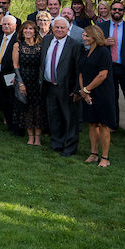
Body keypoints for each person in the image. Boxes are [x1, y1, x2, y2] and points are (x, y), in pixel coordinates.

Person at [41, 16, 83, 157]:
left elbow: (79, 70)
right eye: (57, 27)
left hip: (67, 88)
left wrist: (77, 89)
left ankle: (70, 147)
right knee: (54, 117)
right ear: (52, 28)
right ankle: (57, 143)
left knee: (70, 119)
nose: (59, 30)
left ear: (67, 29)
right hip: (49, 86)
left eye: (62, 28)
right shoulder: (46, 40)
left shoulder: (75, 45)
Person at [99, 1, 125, 130]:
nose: (117, 11)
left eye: (120, 10)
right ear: (110, 11)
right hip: (108, 67)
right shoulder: (102, 27)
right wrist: (103, 42)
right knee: (111, 97)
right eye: (114, 9)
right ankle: (113, 124)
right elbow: (94, 45)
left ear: (124, 12)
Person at [77, 25, 114, 166]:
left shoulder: (103, 52)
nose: (83, 38)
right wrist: (83, 91)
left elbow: (102, 75)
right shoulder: (85, 52)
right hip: (87, 92)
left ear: (95, 37)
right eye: (83, 35)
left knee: (103, 124)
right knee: (92, 123)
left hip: (102, 93)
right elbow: (80, 72)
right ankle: (93, 154)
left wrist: (86, 90)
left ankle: (105, 157)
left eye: (86, 36)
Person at [12, 21, 45, 146]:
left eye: (30, 29)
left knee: (38, 110)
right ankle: (30, 137)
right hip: (24, 81)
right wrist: (20, 83)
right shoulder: (17, 46)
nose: (28, 31)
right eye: (25, 29)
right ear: (22, 31)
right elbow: (16, 65)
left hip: (38, 82)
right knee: (27, 110)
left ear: (35, 31)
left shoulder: (41, 46)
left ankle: (38, 138)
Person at [0, 15, 21, 135]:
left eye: (9, 24)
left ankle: (16, 126)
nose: (6, 26)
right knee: (3, 100)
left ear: (15, 26)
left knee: (12, 100)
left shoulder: (17, 39)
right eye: (4, 24)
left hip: (11, 74)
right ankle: (9, 124)